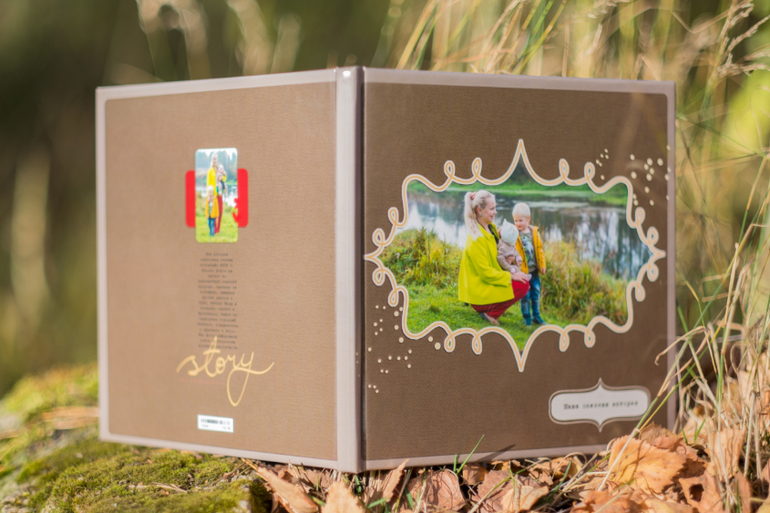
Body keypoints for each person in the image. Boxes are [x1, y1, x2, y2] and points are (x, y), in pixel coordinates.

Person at [458, 190, 530, 326]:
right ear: (479, 210)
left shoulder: (491, 228)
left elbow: (496, 251)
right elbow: (485, 273)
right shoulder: (476, 239)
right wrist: (511, 276)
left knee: (524, 280)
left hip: (487, 285)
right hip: (479, 294)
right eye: (492, 209)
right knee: (523, 284)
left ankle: (492, 308)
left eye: (495, 208)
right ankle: (490, 313)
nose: (495, 212)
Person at [513, 202, 547, 325]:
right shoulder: (514, 234)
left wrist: (543, 265)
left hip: (535, 271)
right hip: (523, 273)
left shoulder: (534, 233)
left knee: (535, 294)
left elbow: (540, 250)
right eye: (515, 220)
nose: (518, 223)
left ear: (528, 219)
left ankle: (536, 316)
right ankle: (527, 318)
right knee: (525, 296)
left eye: (520, 220)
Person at [215, 164, 227, 233]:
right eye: (221, 169)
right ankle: (216, 228)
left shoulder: (222, 177)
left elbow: (224, 179)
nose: (222, 170)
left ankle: (218, 228)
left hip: (220, 196)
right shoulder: (217, 176)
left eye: (223, 169)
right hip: (216, 196)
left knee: (221, 212)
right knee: (217, 212)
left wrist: (224, 174)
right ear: (218, 170)